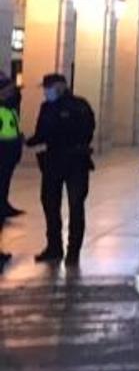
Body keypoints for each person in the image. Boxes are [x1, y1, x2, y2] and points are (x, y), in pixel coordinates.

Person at [26, 74, 95, 266]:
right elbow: (42, 133)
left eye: (49, 87)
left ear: (62, 86)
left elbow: (45, 133)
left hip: (67, 161)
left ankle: (65, 250)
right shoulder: (53, 106)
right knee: (57, 205)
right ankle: (61, 249)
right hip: (63, 161)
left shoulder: (73, 106)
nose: (46, 91)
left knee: (68, 206)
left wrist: (33, 141)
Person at [0, 75, 24, 218]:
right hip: (2, 149)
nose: (12, 93)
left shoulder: (11, 108)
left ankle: (4, 205)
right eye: (9, 90)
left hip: (11, 149)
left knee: (5, 181)